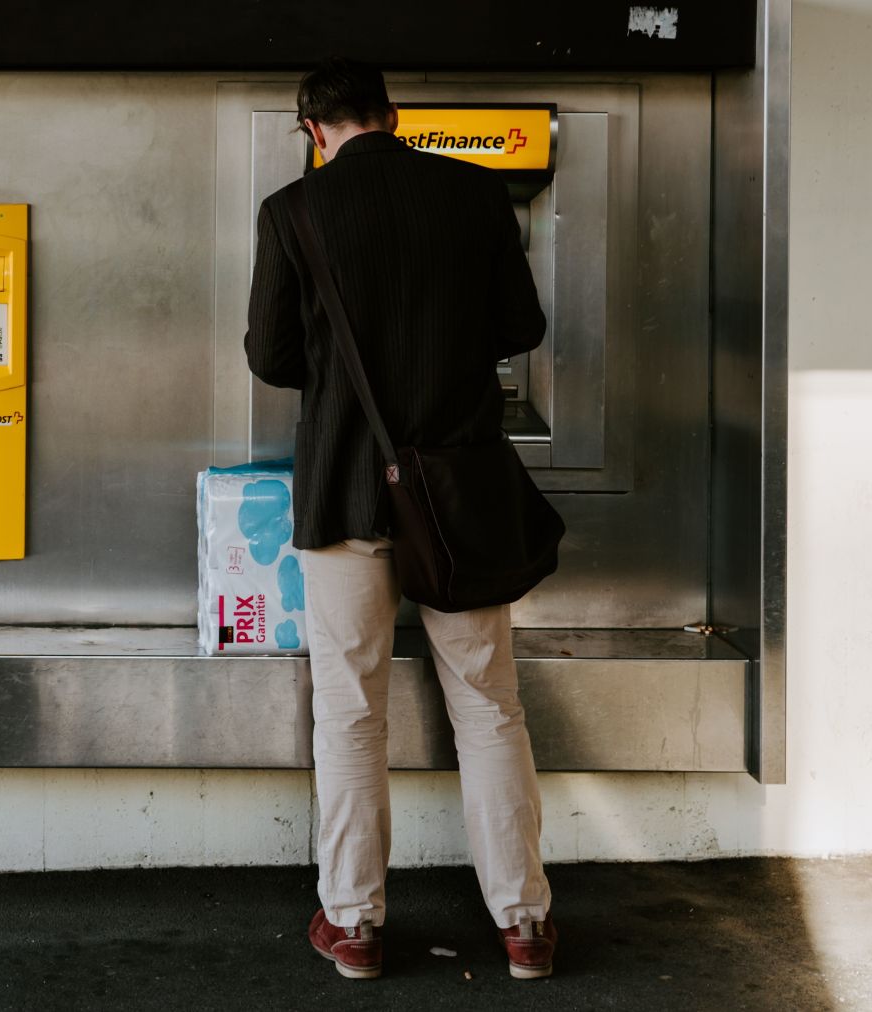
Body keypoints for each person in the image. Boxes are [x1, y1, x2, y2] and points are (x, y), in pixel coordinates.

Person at [244, 58, 556, 981]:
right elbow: (523, 328)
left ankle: (355, 925)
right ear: (391, 115)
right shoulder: (472, 193)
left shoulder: (291, 212)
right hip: (456, 492)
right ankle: (525, 924)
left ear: (315, 130)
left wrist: (346, 382)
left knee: (350, 711)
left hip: (343, 486)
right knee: (490, 705)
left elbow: (271, 354)